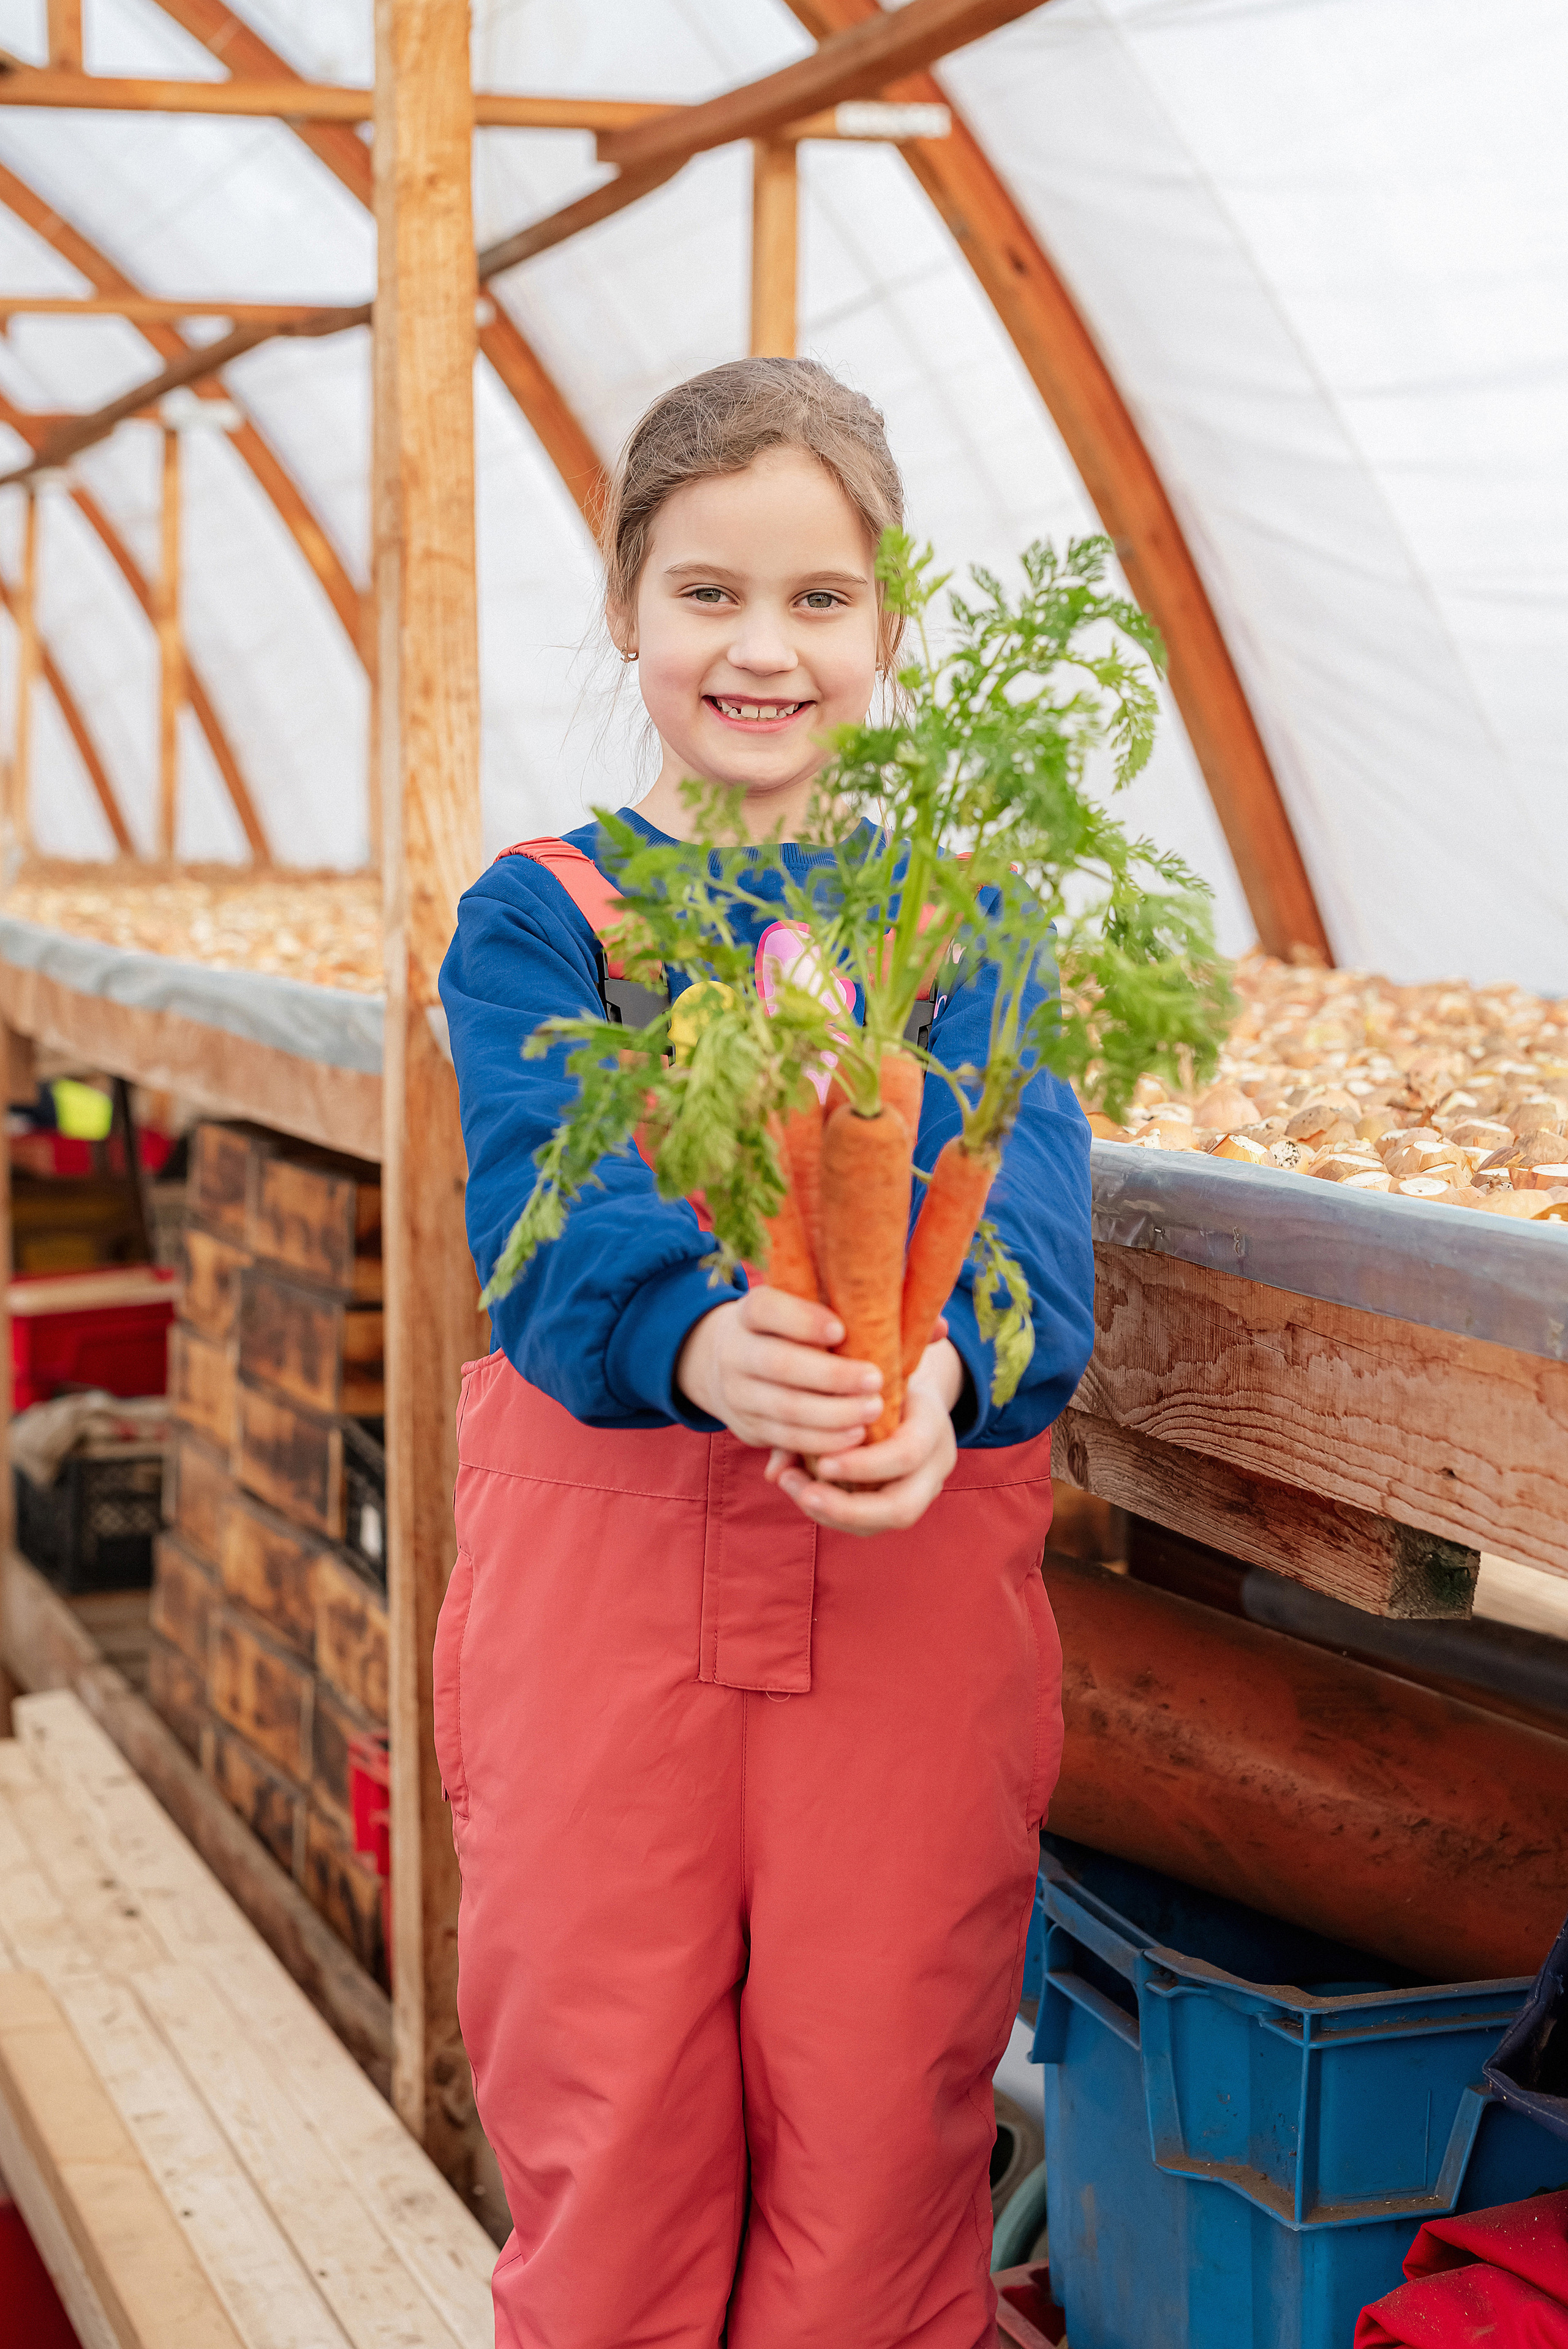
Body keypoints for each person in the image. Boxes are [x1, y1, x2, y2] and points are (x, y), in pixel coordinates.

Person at [437, 357, 1095, 2349]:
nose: (764, 647)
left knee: (884, 2136)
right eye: (708, 592)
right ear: (630, 607)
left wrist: (943, 1382)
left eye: (818, 600)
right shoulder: (538, 922)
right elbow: (541, 1199)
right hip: (606, 1616)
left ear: (891, 628)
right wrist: (706, 1338)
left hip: (900, 1598)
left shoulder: (963, 925)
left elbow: (1031, 1216)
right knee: (611, 2119)